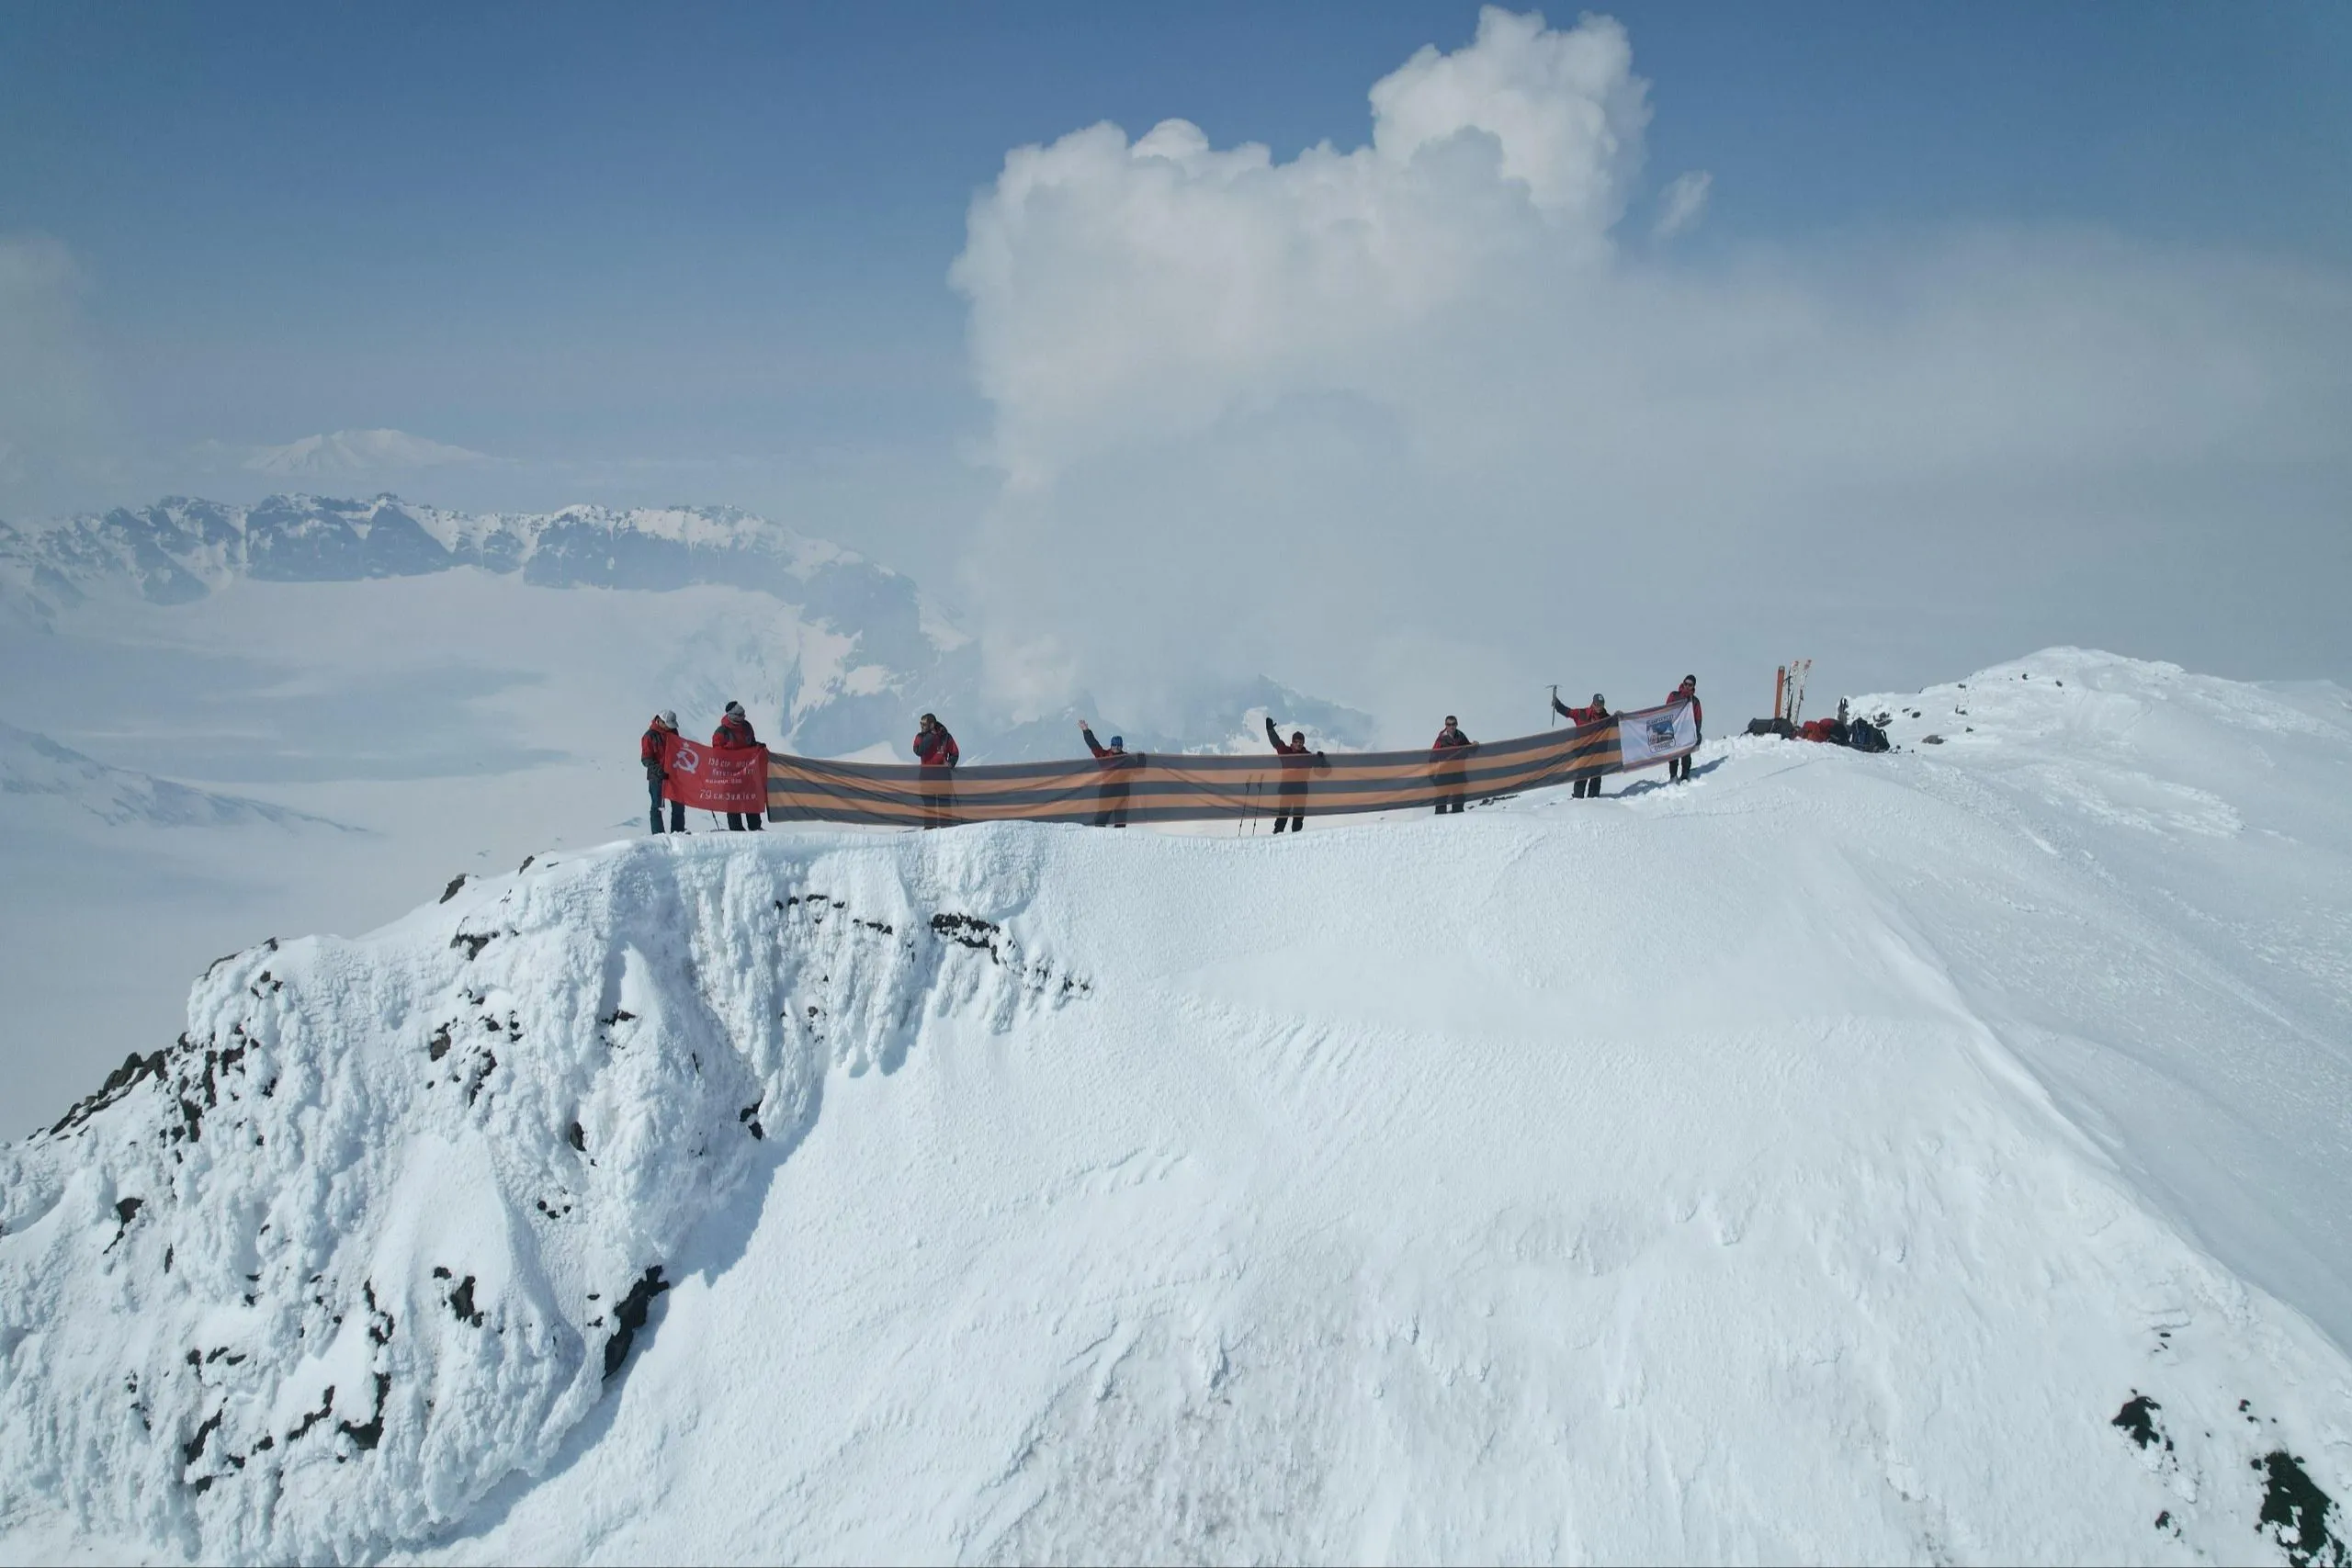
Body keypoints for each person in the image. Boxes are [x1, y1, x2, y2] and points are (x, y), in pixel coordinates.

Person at [711, 700, 764, 831]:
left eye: (743, 714)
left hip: (747, 772)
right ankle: (736, 830)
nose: (743, 717)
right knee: (733, 802)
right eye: (740, 715)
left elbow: (751, 743)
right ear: (732, 716)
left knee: (750, 798)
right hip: (731, 775)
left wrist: (758, 747)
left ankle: (755, 828)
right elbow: (717, 754)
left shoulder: (747, 727)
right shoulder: (721, 732)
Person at [1551, 691, 1611, 797]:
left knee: (1596, 778)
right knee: (1582, 777)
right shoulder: (1581, 713)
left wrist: (1620, 716)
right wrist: (1557, 704)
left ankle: (1594, 800)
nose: (1599, 707)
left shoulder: (1607, 718)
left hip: (1598, 753)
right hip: (1583, 753)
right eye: (1597, 704)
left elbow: (1617, 725)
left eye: (1601, 705)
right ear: (1593, 703)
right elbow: (1568, 712)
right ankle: (1578, 800)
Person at [1080, 719, 1135, 828]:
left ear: (1121, 746)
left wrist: (1143, 760)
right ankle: (1099, 835)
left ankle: (1119, 837)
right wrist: (1086, 731)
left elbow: (1138, 769)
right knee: (1101, 818)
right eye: (1114, 745)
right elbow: (1094, 745)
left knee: (1120, 821)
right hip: (1107, 791)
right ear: (1111, 745)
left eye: (1118, 745)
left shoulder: (1127, 759)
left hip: (1122, 793)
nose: (1116, 748)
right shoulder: (1105, 756)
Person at [1264, 716, 1315, 834]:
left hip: (1301, 790)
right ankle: (1277, 835)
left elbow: (1320, 766)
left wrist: (1322, 758)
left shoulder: (1307, 756)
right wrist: (1270, 730)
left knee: (1298, 818)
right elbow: (1276, 742)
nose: (1299, 744)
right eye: (1296, 742)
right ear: (1292, 742)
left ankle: (1296, 838)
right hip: (1287, 789)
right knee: (1283, 816)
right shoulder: (1286, 751)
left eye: (1301, 742)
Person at [640, 710, 685, 834]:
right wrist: (658, 770)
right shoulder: (649, 736)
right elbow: (646, 759)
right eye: (668, 725)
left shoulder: (673, 732)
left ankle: (678, 832)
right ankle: (658, 835)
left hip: (674, 775)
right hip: (657, 777)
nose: (670, 728)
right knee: (657, 806)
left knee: (679, 805)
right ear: (660, 721)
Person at [913, 712, 959, 829]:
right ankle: (930, 831)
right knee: (929, 807)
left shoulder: (945, 736)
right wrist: (930, 737)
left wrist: (950, 763)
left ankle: (946, 830)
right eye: (920, 723)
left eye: (924, 724)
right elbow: (918, 751)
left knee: (944, 806)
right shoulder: (920, 737)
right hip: (926, 778)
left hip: (943, 777)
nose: (921, 726)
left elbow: (954, 752)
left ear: (932, 725)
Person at [1430, 715, 1475, 815]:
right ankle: (1440, 817)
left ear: (1457, 724)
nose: (1451, 727)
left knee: (1459, 794)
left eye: (1453, 724)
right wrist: (1432, 772)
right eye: (1449, 724)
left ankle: (1458, 815)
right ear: (1446, 725)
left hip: (1459, 771)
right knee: (1442, 795)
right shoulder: (1441, 739)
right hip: (1445, 772)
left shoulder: (1461, 736)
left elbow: (1468, 747)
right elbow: (1433, 756)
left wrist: (1474, 745)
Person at [1667, 675, 1702, 783]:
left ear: (1693, 686)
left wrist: (1697, 733)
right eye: (1685, 683)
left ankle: (1685, 776)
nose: (1687, 686)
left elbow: (1698, 718)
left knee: (1686, 756)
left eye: (1690, 685)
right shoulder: (1674, 696)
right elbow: (1666, 711)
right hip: (1674, 731)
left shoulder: (1695, 701)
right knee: (1673, 756)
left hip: (1687, 733)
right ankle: (1673, 777)